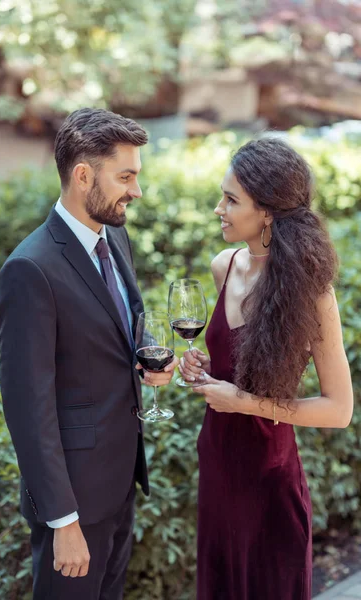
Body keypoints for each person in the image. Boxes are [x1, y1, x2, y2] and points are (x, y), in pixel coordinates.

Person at [0, 108, 178, 600]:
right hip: (73, 504)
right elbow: (27, 409)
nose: (136, 191)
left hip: (120, 483)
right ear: (82, 176)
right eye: (125, 177)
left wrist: (147, 360)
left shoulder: (114, 234)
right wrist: (64, 521)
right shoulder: (29, 270)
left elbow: (128, 320)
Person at [179, 137, 353, 600]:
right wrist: (198, 366)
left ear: (269, 212)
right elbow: (233, 362)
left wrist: (244, 403)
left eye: (232, 199)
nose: (219, 208)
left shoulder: (313, 294)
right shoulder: (224, 266)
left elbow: (339, 410)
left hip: (270, 481)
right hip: (217, 467)